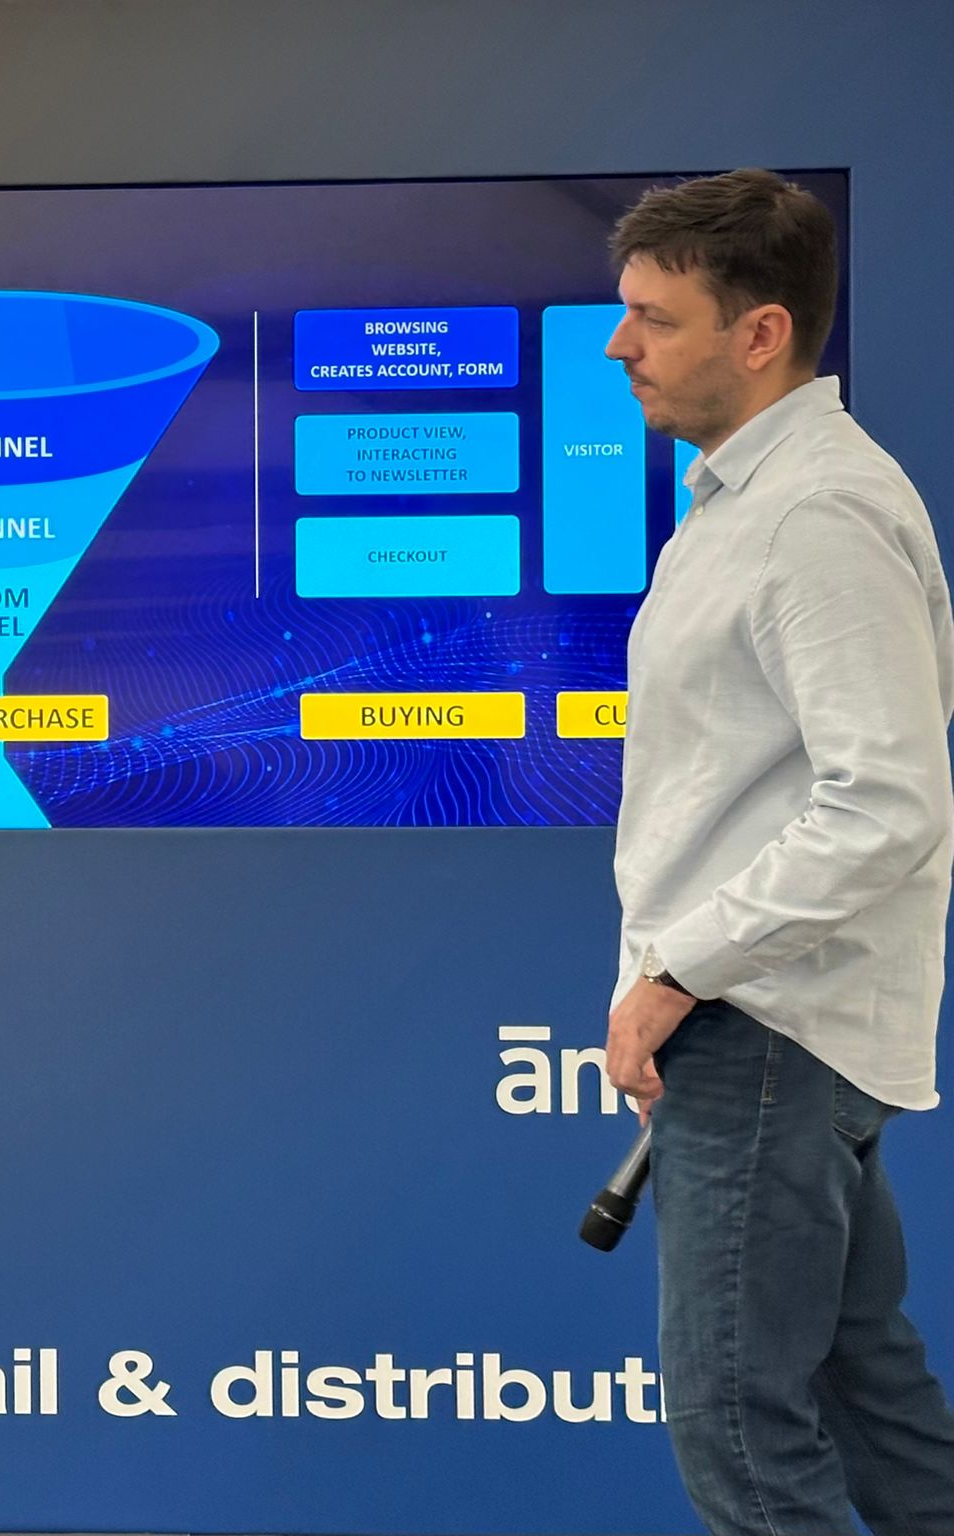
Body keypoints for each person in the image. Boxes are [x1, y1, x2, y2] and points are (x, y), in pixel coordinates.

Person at [602, 169, 954, 1531]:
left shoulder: (814, 516)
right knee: (869, 1399)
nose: (618, 344)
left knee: (738, 1427)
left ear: (758, 334)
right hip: (769, 1031)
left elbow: (886, 801)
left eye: (654, 317)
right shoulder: (742, 501)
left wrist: (677, 972)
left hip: (763, 1034)